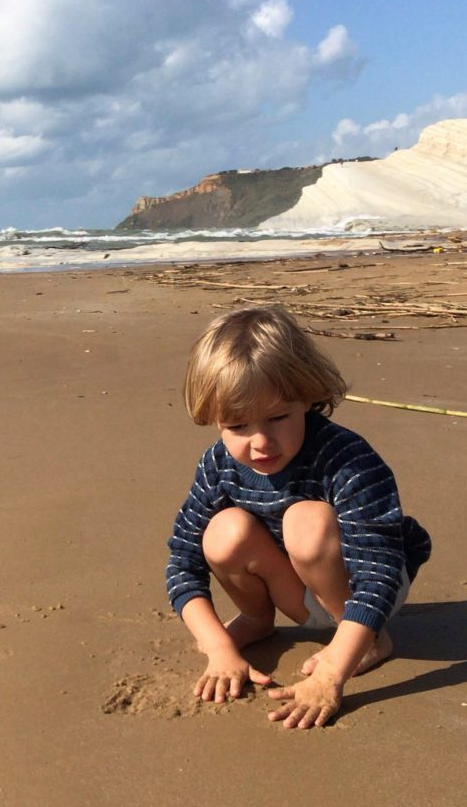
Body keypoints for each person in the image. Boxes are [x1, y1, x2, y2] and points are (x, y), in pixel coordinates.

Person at [166, 305, 431, 729]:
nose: (260, 442)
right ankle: (255, 620)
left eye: (277, 418)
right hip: (298, 588)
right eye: (237, 426)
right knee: (223, 533)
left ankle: (369, 643)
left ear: (306, 397)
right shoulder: (218, 466)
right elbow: (182, 563)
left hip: (368, 591)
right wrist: (217, 647)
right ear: (214, 420)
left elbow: (378, 576)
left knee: (304, 522)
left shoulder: (347, 460)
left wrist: (330, 675)